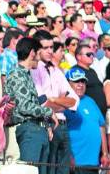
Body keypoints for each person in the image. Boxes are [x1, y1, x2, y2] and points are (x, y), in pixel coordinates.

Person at [4, 37, 56, 174]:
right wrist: (49, 111)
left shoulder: (25, 75)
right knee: (29, 171)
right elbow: (25, 107)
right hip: (28, 131)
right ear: (32, 53)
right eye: (39, 53)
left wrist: (46, 125)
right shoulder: (17, 74)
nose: (39, 59)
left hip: (37, 131)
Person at [31, 31, 79, 174]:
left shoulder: (55, 69)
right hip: (47, 123)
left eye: (52, 47)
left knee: (63, 171)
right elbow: (42, 102)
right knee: (48, 170)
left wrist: (54, 99)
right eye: (46, 48)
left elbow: (75, 101)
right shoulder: (34, 69)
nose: (50, 51)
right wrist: (63, 103)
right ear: (37, 49)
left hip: (63, 126)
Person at [63, 68, 108, 171]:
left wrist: (105, 153)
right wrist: (68, 156)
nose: (80, 84)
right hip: (75, 163)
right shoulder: (64, 102)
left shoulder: (90, 101)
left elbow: (101, 126)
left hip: (93, 162)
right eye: (76, 81)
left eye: (83, 81)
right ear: (67, 83)